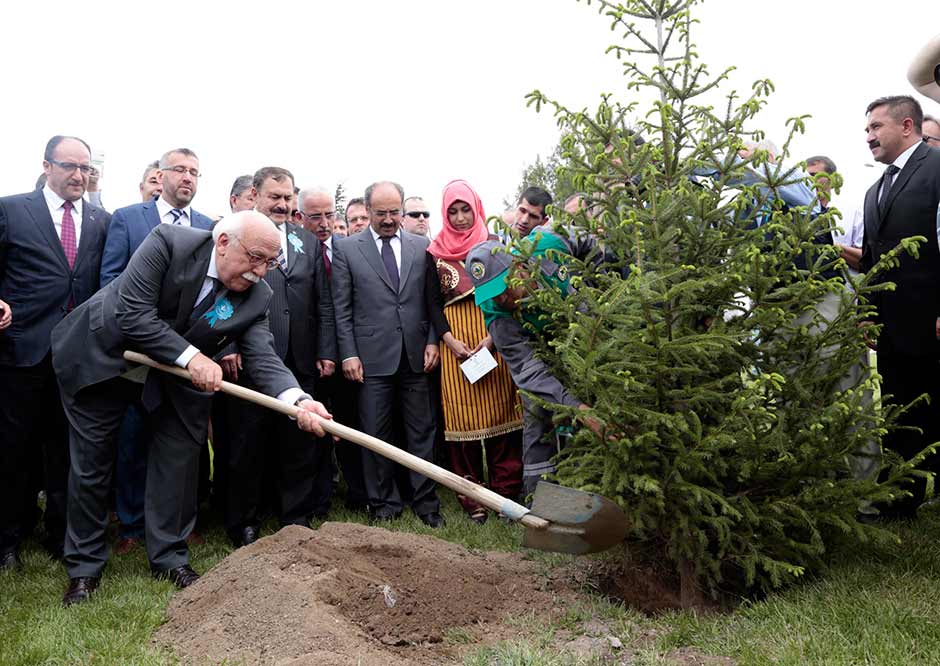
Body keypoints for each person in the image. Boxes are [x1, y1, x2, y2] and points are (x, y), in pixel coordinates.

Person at [51, 211, 333, 605]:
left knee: (179, 461)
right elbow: (133, 313)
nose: (260, 271)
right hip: (105, 357)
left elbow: (262, 355)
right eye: (254, 257)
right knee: (92, 466)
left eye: (270, 262)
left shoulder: (256, 294)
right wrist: (192, 357)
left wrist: (298, 400)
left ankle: (169, 556)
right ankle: (84, 568)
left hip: (174, 377)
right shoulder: (169, 243)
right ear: (223, 243)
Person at [0, 135, 111, 571]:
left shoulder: (102, 221)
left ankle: (62, 534)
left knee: (68, 450)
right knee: (13, 449)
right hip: (21, 351)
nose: (79, 176)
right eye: (70, 166)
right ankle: (8, 538)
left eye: (85, 168)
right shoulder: (11, 210)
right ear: (47, 167)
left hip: (77, 355)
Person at [99, 147, 215, 553]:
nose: (188, 178)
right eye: (180, 170)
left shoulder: (208, 227)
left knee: (182, 445)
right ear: (160, 176)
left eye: (195, 172)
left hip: (186, 354)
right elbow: (111, 281)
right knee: (133, 436)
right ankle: (131, 525)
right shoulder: (129, 219)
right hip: (136, 352)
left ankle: (180, 524)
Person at [213, 169, 336, 547]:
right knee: (243, 444)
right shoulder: (235, 234)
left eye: (288, 197)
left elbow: (323, 301)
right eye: (274, 197)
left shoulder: (305, 241)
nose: (282, 204)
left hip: (299, 359)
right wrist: (227, 347)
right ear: (255, 195)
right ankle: (243, 521)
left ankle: (294, 517)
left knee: (298, 443)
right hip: (246, 357)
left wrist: (325, 350)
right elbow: (217, 293)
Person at [331, 181, 446, 526]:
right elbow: (342, 308)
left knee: (421, 431)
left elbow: (429, 302)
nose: (388, 219)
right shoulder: (347, 249)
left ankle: (426, 503)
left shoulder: (420, 245)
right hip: (370, 359)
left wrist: (431, 341)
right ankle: (384, 504)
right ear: (367, 211)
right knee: (375, 433)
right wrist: (348, 354)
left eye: (394, 212)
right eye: (380, 213)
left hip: (415, 354)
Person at [465, 234, 599, 495]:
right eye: (491, 293)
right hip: (539, 353)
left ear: (519, 265)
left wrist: (600, 282)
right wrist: (580, 409)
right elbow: (529, 373)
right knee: (537, 413)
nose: (500, 299)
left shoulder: (546, 245)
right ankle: (539, 502)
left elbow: (588, 241)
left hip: (589, 340)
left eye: (503, 288)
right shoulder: (495, 313)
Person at [860, 96, 940, 509]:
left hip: (934, 321)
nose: (869, 135)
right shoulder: (875, 190)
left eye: (876, 127)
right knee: (897, 409)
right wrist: (865, 315)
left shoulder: (936, 169)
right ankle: (900, 497)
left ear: (906, 125)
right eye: (867, 128)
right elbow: (872, 260)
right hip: (892, 329)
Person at [428, 180, 523, 522]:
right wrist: (450, 341)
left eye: (465, 209)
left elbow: (509, 296)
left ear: (476, 207)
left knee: (503, 418)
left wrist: (493, 339)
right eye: (452, 211)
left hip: (493, 338)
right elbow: (431, 303)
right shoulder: (434, 252)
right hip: (455, 346)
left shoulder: (495, 246)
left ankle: (506, 493)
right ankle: (472, 495)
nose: (460, 217)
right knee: (461, 422)